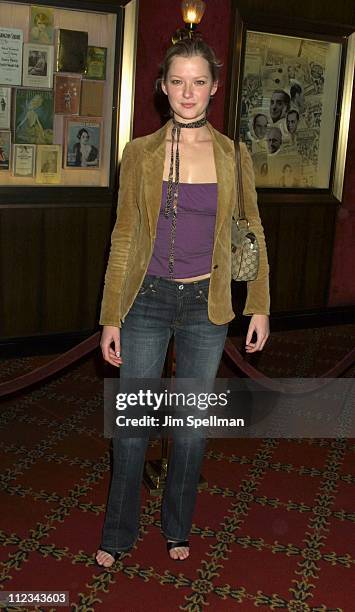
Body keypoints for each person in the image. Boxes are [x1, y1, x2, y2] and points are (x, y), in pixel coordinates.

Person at [95, 37, 270, 568]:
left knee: (191, 431)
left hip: (207, 305)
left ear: (214, 88)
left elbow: (252, 229)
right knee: (133, 428)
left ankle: (177, 527)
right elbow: (124, 235)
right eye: (177, 81)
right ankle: (117, 533)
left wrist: (259, 303)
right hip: (145, 300)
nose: (187, 92)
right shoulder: (140, 153)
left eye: (198, 81)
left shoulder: (234, 155)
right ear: (162, 86)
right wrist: (110, 316)